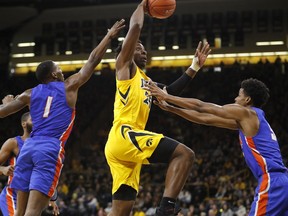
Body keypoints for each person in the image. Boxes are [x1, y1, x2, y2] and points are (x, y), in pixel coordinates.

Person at [0, 19, 125, 216]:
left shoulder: (29, 94)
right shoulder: (68, 86)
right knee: (33, 212)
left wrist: (7, 102)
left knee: (20, 214)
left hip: (28, 148)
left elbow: (3, 112)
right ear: (53, 73)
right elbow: (92, 60)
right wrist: (109, 36)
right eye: (58, 68)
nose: (61, 70)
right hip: (49, 148)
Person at [104, 1, 211, 215]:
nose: (143, 51)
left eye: (144, 49)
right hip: (125, 134)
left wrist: (194, 67)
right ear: (125, 52)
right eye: (138, 48)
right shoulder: (124, 67)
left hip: (121, 146)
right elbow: (135, 28)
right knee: (184, 154)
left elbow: (169, 93)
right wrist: (142, 6)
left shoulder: (146, 80)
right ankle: (166, 209)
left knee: (122, 210)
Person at [145, 78, 288, 215]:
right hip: (282, 181)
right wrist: (171, 109)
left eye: (238, 96)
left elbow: (202, 107)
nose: (235, 100)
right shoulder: (251, 120)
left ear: (247, 100)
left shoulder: (247, 113)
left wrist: (167, 96)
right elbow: (205, 119)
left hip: (272, 181)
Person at [0, 112, 59, 216]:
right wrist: (3, 169)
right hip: (13, 193)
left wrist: (53, 197)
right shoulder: (14, 143)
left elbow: (46, 173)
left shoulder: (43, 145)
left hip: (33, 194)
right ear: (24, 124)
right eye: (33, 120)